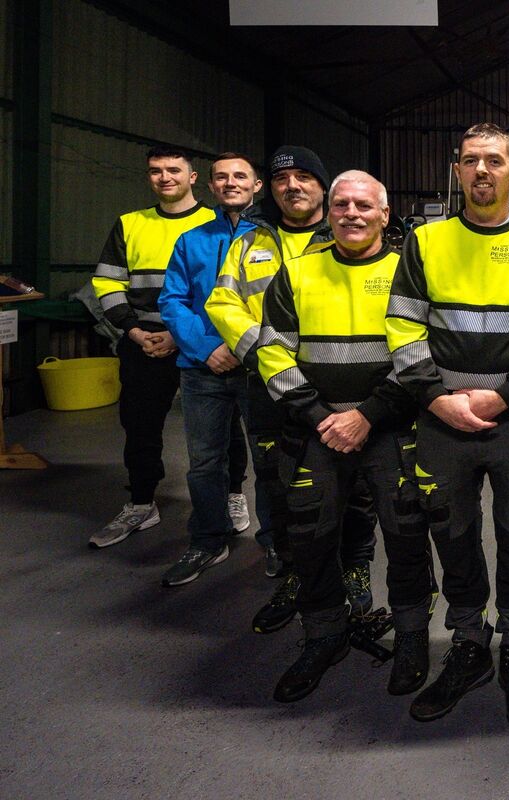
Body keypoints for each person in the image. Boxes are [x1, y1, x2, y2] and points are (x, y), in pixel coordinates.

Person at [386, 123, 509, 728]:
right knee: (454, 541)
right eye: (470, 161)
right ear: (457, 172)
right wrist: (438, 401)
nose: (481, 171)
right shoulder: (426, 242)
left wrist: (501, 398)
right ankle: (469, 647)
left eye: (494, 161)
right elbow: (403, 328)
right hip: (440, 426)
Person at [256, 170, 436, 703]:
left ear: (385, 215)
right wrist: (320, 416)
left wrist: (368, 415)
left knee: (406, 540)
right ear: (329, 212)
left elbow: (421, 354)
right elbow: (272, 350)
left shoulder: (409, 275)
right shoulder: (296, 273)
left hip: (390, 431)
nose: (352, 213)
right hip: (316, 432)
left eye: (364, 205)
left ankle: (411, 637)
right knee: (310, 539)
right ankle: (324, 634)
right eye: (341, 204)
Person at [207, 146, 383, 632]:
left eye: (305, 176)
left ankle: (354, 565)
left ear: (323, 188)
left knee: (359, 487)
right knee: (278, 483)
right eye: (284, 178)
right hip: (275, 388)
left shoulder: (346, 234)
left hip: (341, 388)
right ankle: (295, 573)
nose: (294, 186)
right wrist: (264, 356)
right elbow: (224, 303)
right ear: (273, 189)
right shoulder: (250, 242)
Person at [89, 147, 250, 549]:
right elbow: (107, 283)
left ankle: (232, 495)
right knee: (140, 423)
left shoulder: (220, 223)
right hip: (144, 340)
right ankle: (141, 502)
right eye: (156, 171)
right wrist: (132, 330)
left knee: (225, 427)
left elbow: (226, 292)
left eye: (174, 170)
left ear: (195, 178)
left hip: (205, 340)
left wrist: (182, 336)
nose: (165, 178)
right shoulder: (130, 224)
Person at [158, 153, 263, 585]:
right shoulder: (191, 240)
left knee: (270, 458)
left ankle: (276, 542)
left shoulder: (272, 240)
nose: (231, 183)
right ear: (211, 186)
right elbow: (172, 300)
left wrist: (247, 348)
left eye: (240, 176)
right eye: (222, 177)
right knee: (204, 462)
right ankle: (207, 540)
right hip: (203, 370)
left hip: (259, 366)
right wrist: (206, 349)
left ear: (257, 185)